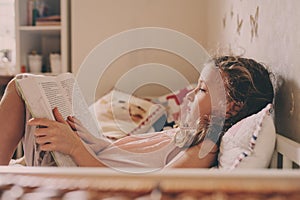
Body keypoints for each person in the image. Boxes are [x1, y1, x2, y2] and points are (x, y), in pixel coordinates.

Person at [0, 55, 274, 169]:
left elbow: (143, 187)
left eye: (202, 90)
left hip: (83, 175)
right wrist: (82, 137)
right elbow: (120, 152)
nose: (191, 94)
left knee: (18, 88)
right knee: (26, 91)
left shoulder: (206, 149)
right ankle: (14, 166)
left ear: (232, 107)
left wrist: (74, 148)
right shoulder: (188, 137)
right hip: (85, 162)